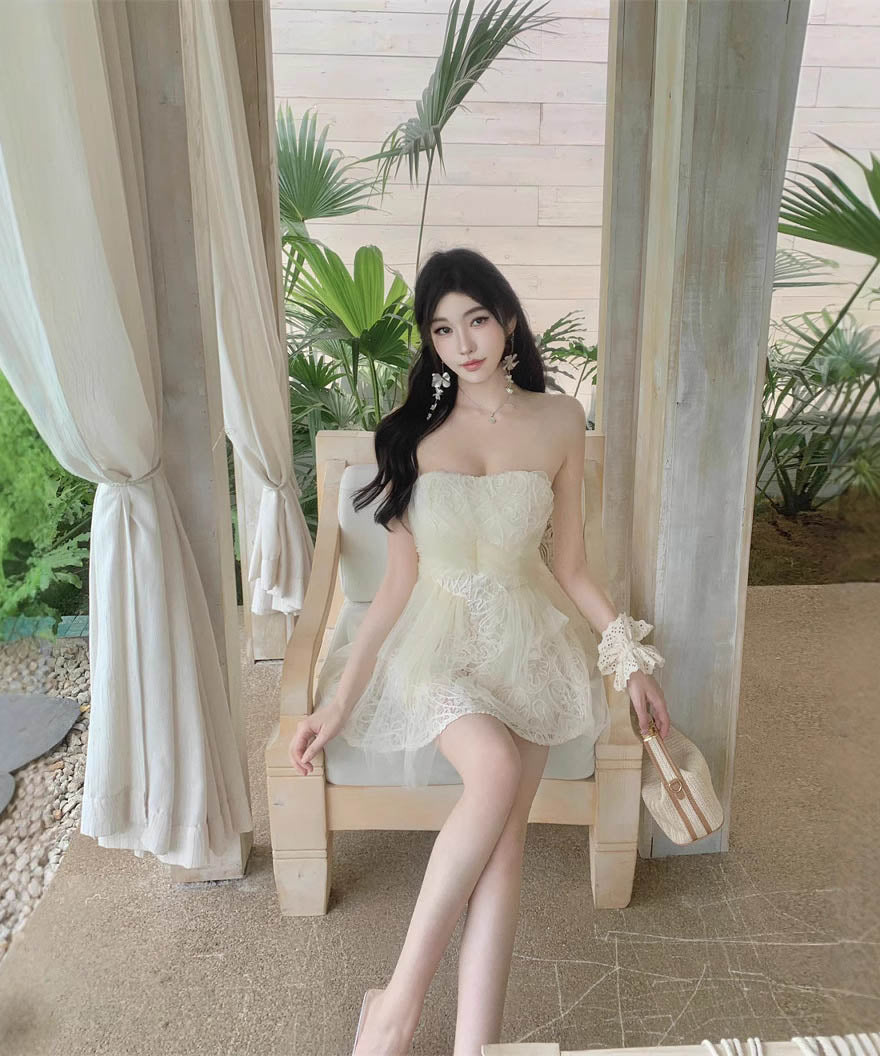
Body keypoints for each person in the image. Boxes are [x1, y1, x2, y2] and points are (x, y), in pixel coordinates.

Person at [288, 247, 671, 1056]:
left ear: (508, 321)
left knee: (506, 847)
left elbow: (573, 568)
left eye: (477, 321)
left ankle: (475, 1045)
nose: (463, 343)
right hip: (439, 647)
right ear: (429, 342)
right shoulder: (409, 435)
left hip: (530, 646)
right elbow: (396, 588)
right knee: (493, 770)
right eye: (442, 329)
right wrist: (338, 700)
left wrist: (629, 660)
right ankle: (396, 1008)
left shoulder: (560, 420)